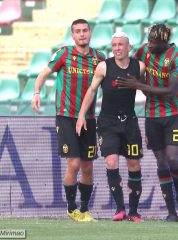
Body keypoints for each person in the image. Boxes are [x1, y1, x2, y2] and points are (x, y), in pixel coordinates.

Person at [31, 19, 105, 222]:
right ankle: (71, 208)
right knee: (74, 164)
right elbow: (43, 74)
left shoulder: (99, 58)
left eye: (84, 31)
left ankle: (84, 210)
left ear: (90, 33)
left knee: (88, 166)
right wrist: (36, 93)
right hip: (66, 116)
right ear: (72, 35)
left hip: (89, 118)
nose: (81, 34)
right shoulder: (64, 53)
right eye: (77, 32)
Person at [116, 24, 178, 222]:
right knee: (161, 161)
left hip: (173, 114)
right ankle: (171, 212)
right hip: (152, 115)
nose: (149, 44)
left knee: (172, 158)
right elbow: (129, 63)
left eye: (154, 42)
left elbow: (170, 91)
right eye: (148, 39)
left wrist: (139, 85)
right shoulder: (144, 51)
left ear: (164, 42)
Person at [76, 32, 146, 222]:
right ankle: (120, 209)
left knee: (134, 164)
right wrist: (81, 115)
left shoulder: (138, 67)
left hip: (130, 121)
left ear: (128, 47)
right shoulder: (104, 66)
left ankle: (134, 211)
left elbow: (149, 89)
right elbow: (91, 91)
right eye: (114, 45)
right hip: (107, 122)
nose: (117, 48)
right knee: (111, 162)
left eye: (121, 45)